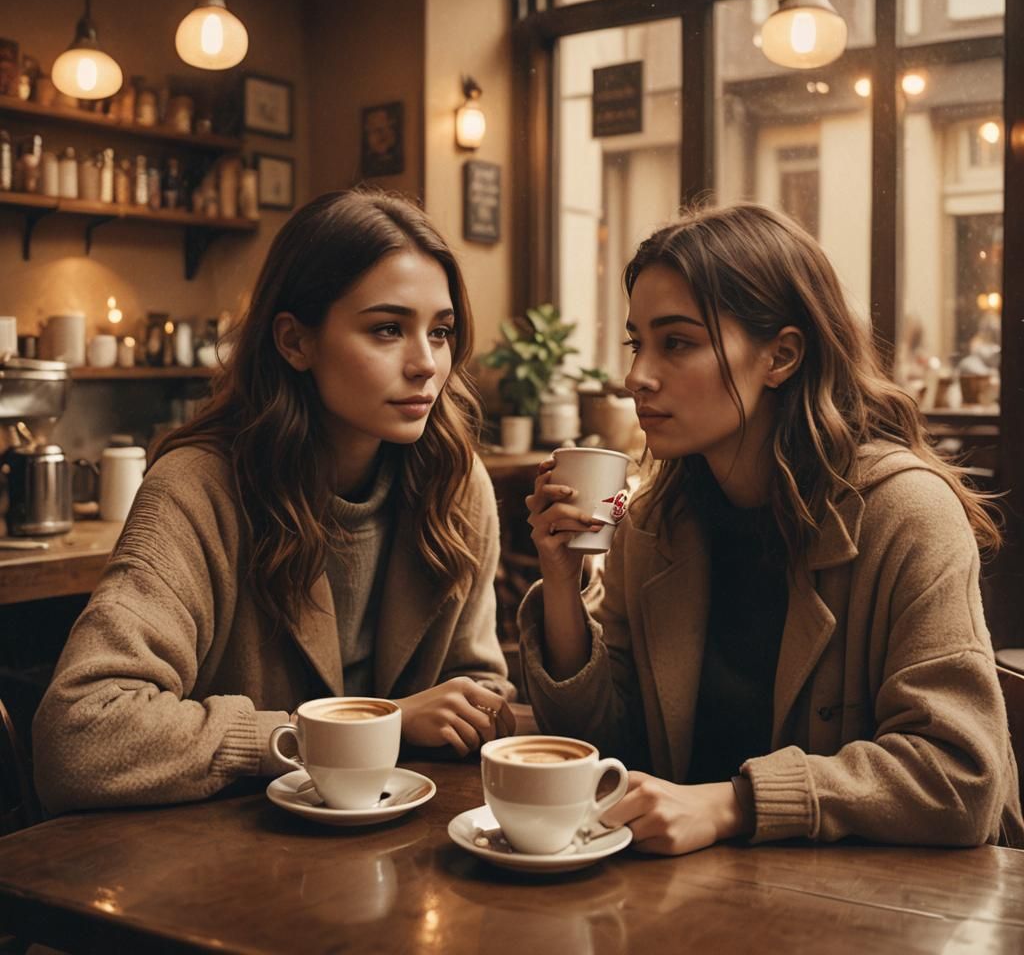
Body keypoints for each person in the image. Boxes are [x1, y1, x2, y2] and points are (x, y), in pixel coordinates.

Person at [520, 203, 1023, 855]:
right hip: (695, 905)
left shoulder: (905, 514)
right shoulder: (651, 524)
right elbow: (611, 750)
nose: (636, 377)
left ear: (781, 355)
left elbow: (962, 779)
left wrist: (735, 804)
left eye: (678, 342)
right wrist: (562, 585)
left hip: (884, 917)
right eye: (637, 342)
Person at [34, 189, 515, 814]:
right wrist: (364, 728)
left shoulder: (456, 484)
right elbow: (80, 734)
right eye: (388, 329)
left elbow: (476, 692)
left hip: (407, 859)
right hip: (223, 868)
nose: (427, 363)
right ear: (295, 342)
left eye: (442, 332)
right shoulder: (198, 488)